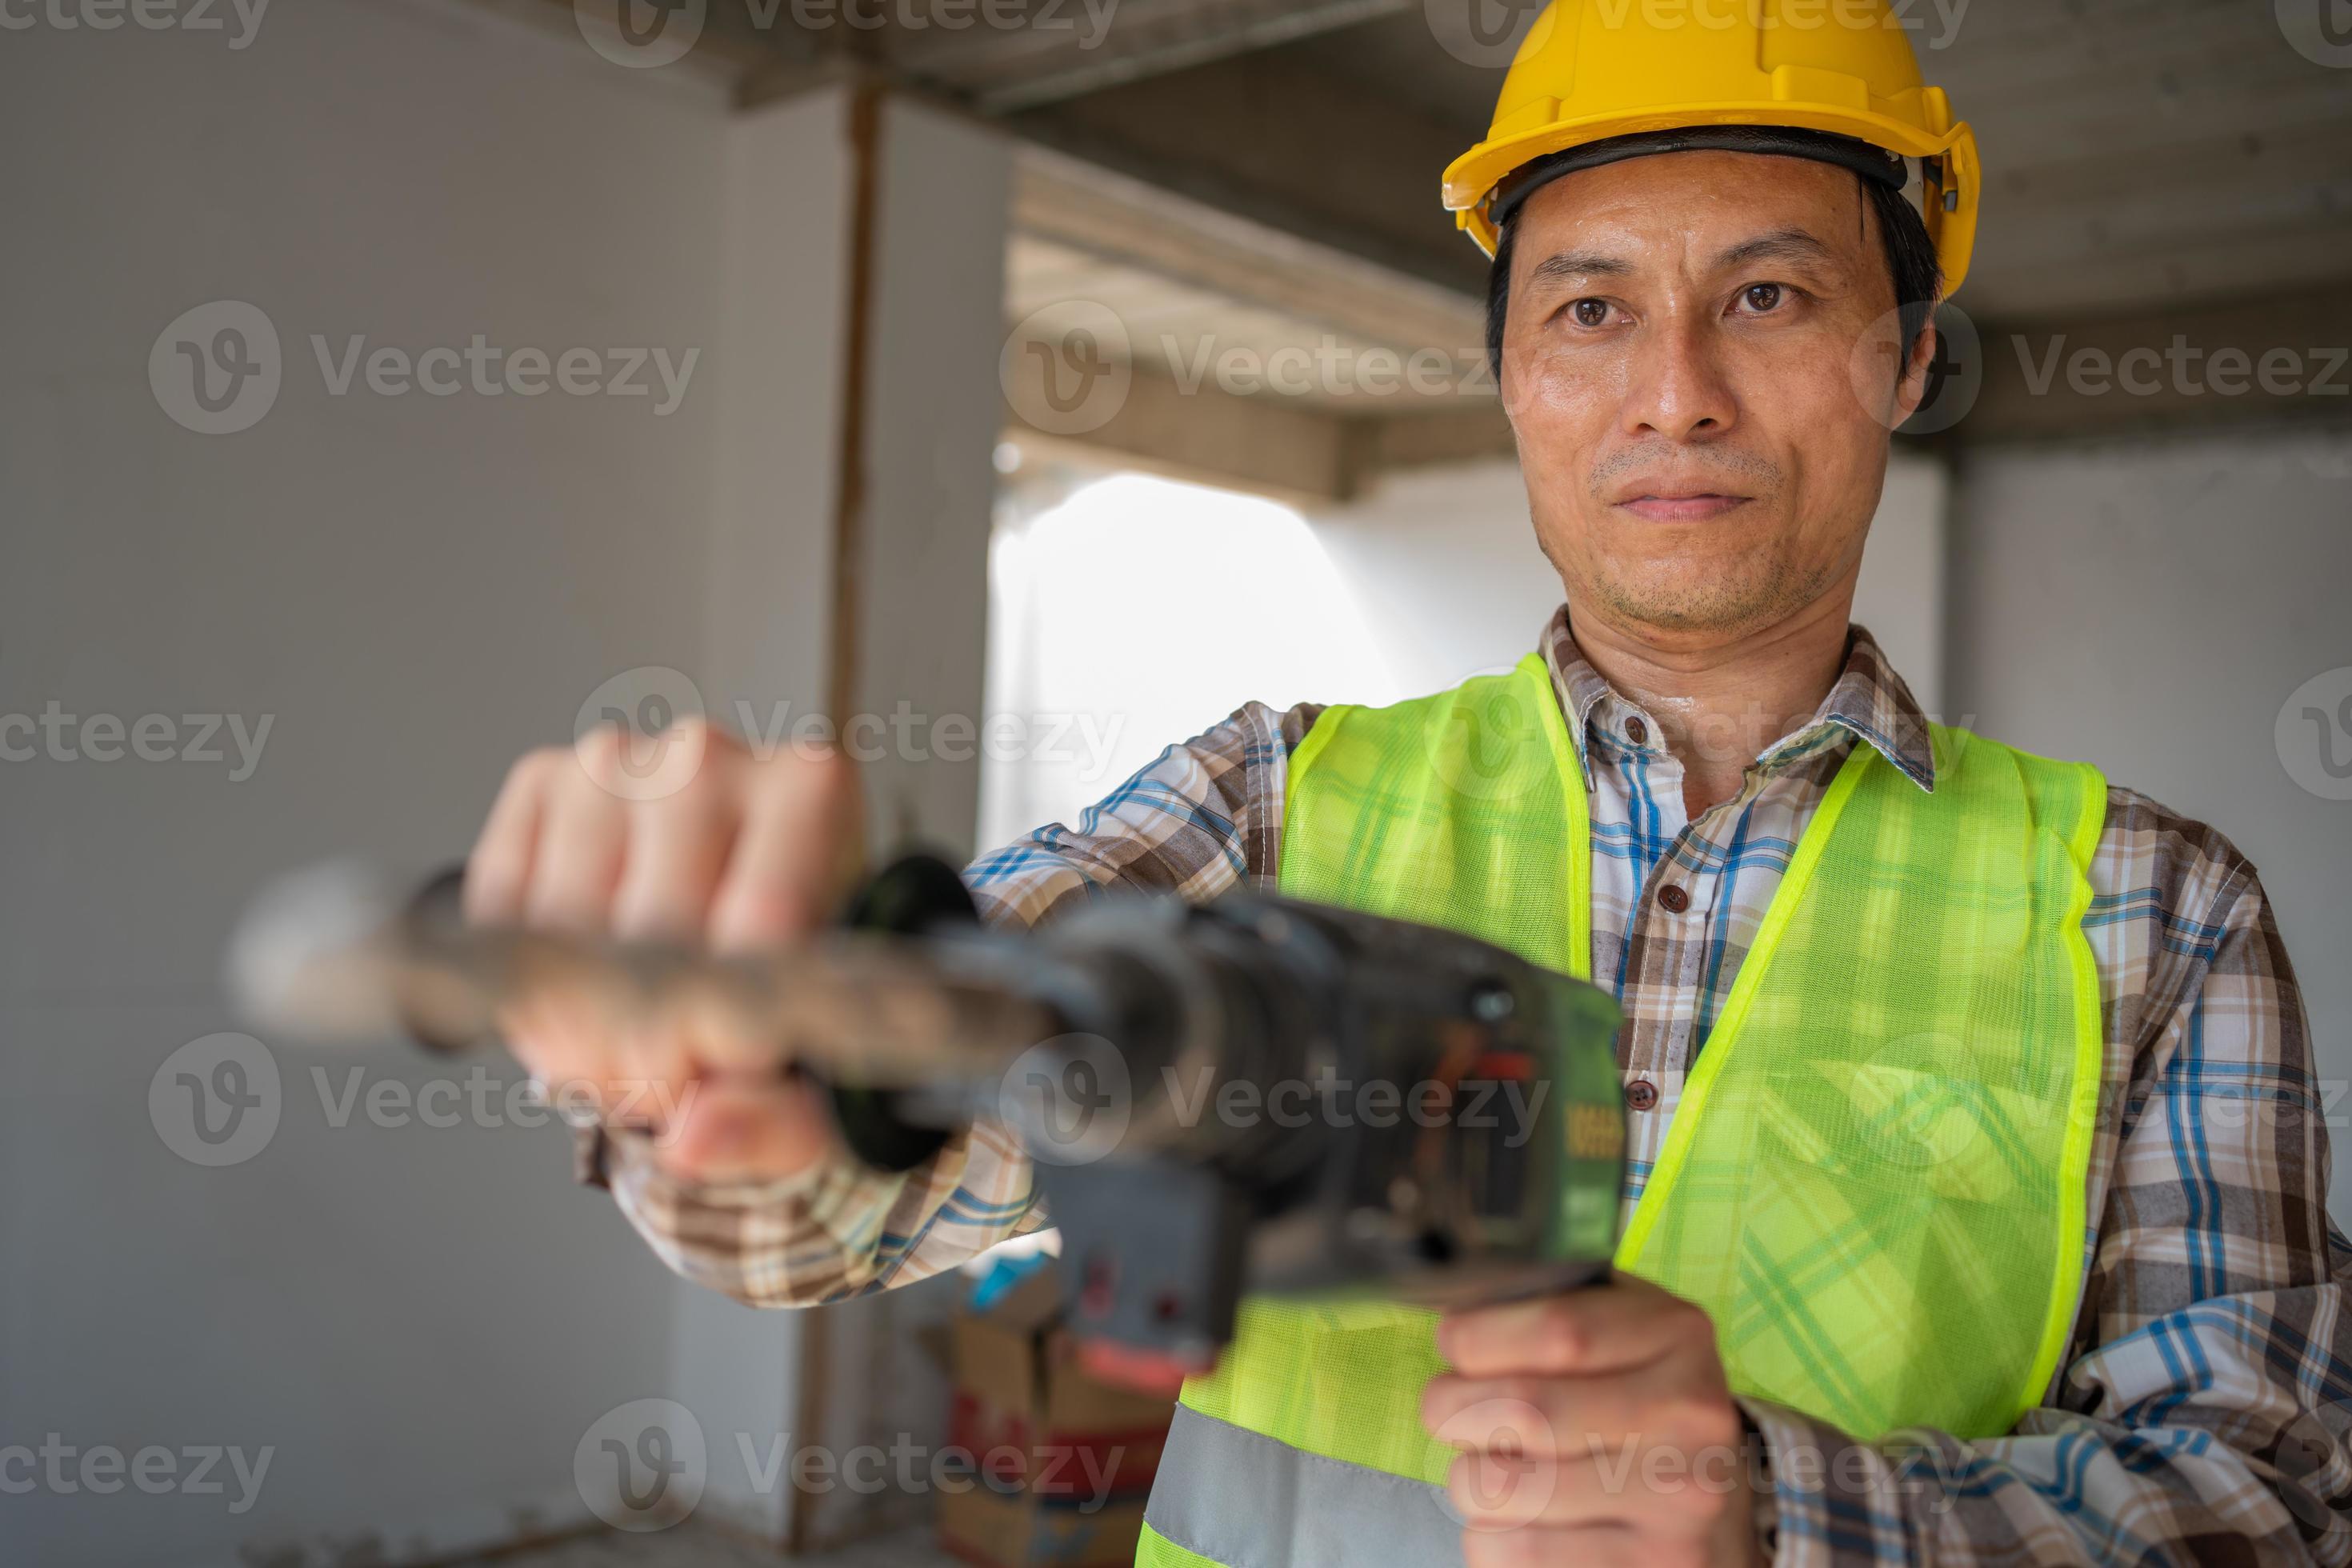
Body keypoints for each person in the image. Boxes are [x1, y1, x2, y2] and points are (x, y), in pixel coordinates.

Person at [462, 5, 2352, 1564]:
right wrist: (753, 1067)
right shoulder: (1273, 807)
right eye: (1592, 310)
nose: (1675, 389)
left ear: (1906, 358)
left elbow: (2258, 1504)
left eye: (1769, 298)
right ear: (1516, 378)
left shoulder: (2151, 908)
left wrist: (1785, 1512)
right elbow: (860, 1197)